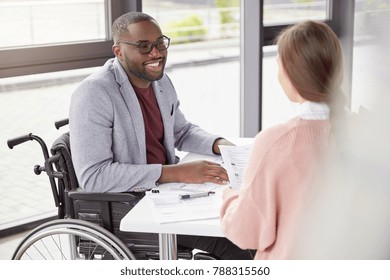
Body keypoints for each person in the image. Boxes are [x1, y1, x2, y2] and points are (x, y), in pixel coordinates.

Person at [69, 11, 253, 260]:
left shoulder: (161, 82)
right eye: (143, 47)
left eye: (159, 43)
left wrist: (223, 146)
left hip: (166, 193)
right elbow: (94, 177)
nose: (156, 53)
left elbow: (181, 130)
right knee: (235, 243)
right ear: (119, 51)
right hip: (129, 205)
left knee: (247, 223)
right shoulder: (94, 94)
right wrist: (174, 172)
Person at [219, 20, 345, 260]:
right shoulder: (370, 134)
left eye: (279, 65)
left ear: (290, 72)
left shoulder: (275, 141)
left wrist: (230, 196)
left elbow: (245, 233)